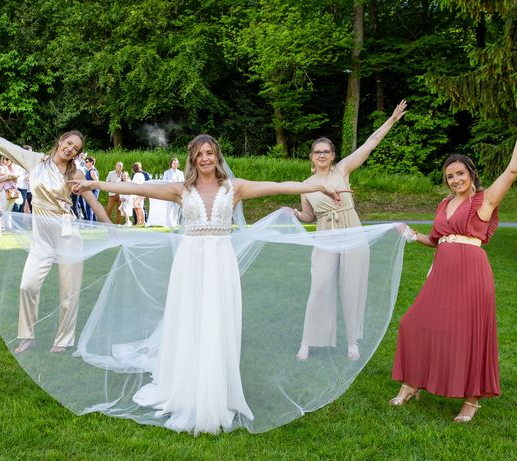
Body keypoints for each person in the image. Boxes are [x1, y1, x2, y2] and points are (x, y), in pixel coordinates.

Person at [69, 134, 347, 435]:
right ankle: (186, 386)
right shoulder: (181, 189)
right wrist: (95, 184)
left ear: (217, 156)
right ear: (192, 158)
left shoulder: (234, 187)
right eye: (199, 153)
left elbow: (279, 187)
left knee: (217, 322)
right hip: (189, 264)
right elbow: (136, 188)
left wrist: (319, 185)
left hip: (221, 263)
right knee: (190, 322)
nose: (205, 158)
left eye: (210, 153)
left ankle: (217, 389)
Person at [390, 145, 517, 423]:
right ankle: (411, 385)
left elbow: (512, 170)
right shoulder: (443, 205)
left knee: (468, 333)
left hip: (471, 274)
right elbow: (436, 240)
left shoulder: (483, 201)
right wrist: (412, 234)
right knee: (412, 323)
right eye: (449, 176)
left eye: (460, 173)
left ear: (471, 173)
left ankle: (471, 401)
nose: (455, 179)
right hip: (442, 275)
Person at [0, 118, 110, 354]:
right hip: (41, 237)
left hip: (67, 234)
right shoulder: (37, 162)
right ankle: (27, 336)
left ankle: (63, 340)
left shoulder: (76, 173)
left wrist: (113, 229)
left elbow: (94, 203)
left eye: (76, 148)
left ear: (77, 153)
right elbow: (6, 146)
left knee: (69, 290)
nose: (70, 149)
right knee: (27, 285)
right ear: (61, 140)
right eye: (69, 143)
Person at [293, 100, 407, 362]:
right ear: (311, 157)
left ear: (332, 155)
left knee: (352, 285)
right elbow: (309, 216)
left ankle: (352, 342)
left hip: (351, 228)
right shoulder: (305, 185)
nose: (321, 155)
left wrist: (391, 120)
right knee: (320, 285)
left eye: (326, 151)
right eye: (317, 152)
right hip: (325, 234)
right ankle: (308, 341)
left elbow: (369, 144)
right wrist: (296, 215)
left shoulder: (343, 170)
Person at [83, 156, 100, 221]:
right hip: (90, 191)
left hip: (93, 191)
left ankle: (90, 225)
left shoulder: (92, 171)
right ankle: (93, 223)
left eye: (87, 162)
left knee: (89, 207)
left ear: (91, 162)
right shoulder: (89, 170)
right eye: (85, 162)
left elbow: (97, 182)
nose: (85, 163)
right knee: (90, 207)